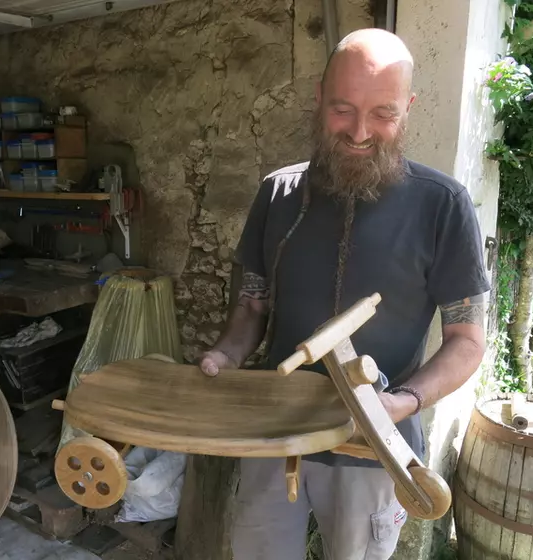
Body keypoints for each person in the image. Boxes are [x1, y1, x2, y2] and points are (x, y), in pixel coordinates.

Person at [197, 28, 490, 560]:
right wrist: (229, 352)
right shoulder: (278, 194)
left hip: (374, 448)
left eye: (383, 112)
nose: (359, 131)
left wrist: (402, 402)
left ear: (408, 109)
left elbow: (467, 341)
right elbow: (252, 304)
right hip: (274, 434)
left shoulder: (443, 205)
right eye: (342, 109)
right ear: (318, 99)